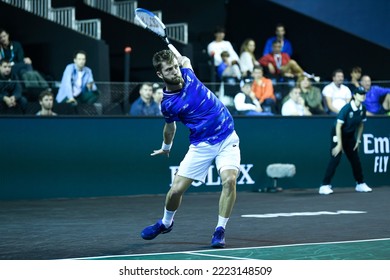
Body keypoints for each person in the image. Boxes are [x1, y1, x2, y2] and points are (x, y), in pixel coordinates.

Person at [140, 49, 241, 248]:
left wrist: (177, 59)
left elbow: (184, 59)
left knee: (229, 180)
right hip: (202, 145)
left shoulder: (187, 72)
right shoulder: (168, 103)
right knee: (175, 191)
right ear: (160, 74)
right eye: (169, 70)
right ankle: (166, 223)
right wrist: (166, 147)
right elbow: (170, 127)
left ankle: (220, 230)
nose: (175, 72)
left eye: (175, 67)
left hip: (227, 136)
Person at [319, 86, 372, 195]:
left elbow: (361, 125)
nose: (362, 96)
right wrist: (339, 144)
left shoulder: (363, 109)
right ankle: (324, 186)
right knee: (336, 159)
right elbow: (338, 126)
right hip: (337, 135)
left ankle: (360, 184)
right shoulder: (347, 108)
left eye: (364, 94)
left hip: (350, 136)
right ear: (354, 96)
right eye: (360, 94)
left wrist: (358, 140)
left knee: (355, 160)